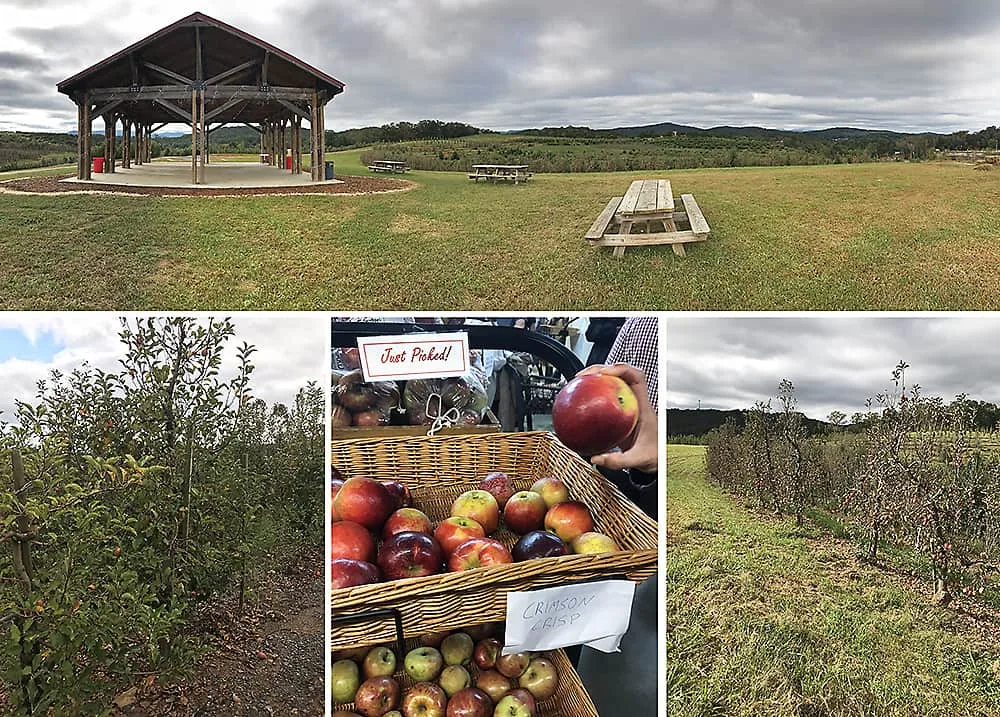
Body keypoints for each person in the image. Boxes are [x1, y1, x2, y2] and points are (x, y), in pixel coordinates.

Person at [573, 315, 659, 717]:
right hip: (614, 505)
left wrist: (653, 469)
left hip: (642, 530)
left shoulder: (642, 325)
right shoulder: (640, 325)